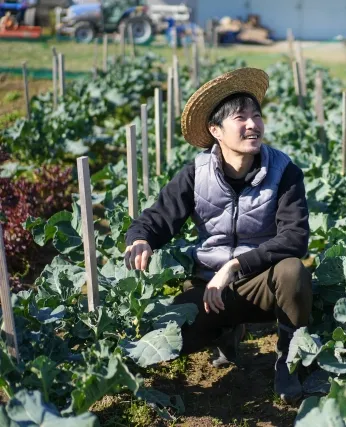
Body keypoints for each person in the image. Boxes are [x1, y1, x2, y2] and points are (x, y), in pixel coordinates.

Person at [124, 68, 312, 404]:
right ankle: (226, 332)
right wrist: (140, 239)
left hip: (261, 285)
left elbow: (295, 238)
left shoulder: (284, 171)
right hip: (211, 291)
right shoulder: (196, 174)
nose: (253, 125)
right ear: (216, 130)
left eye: (257, 116)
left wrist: (235, 266)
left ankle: (288, 361)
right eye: (241, 118)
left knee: (293, 271)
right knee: (163, 342)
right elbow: (160, 217)